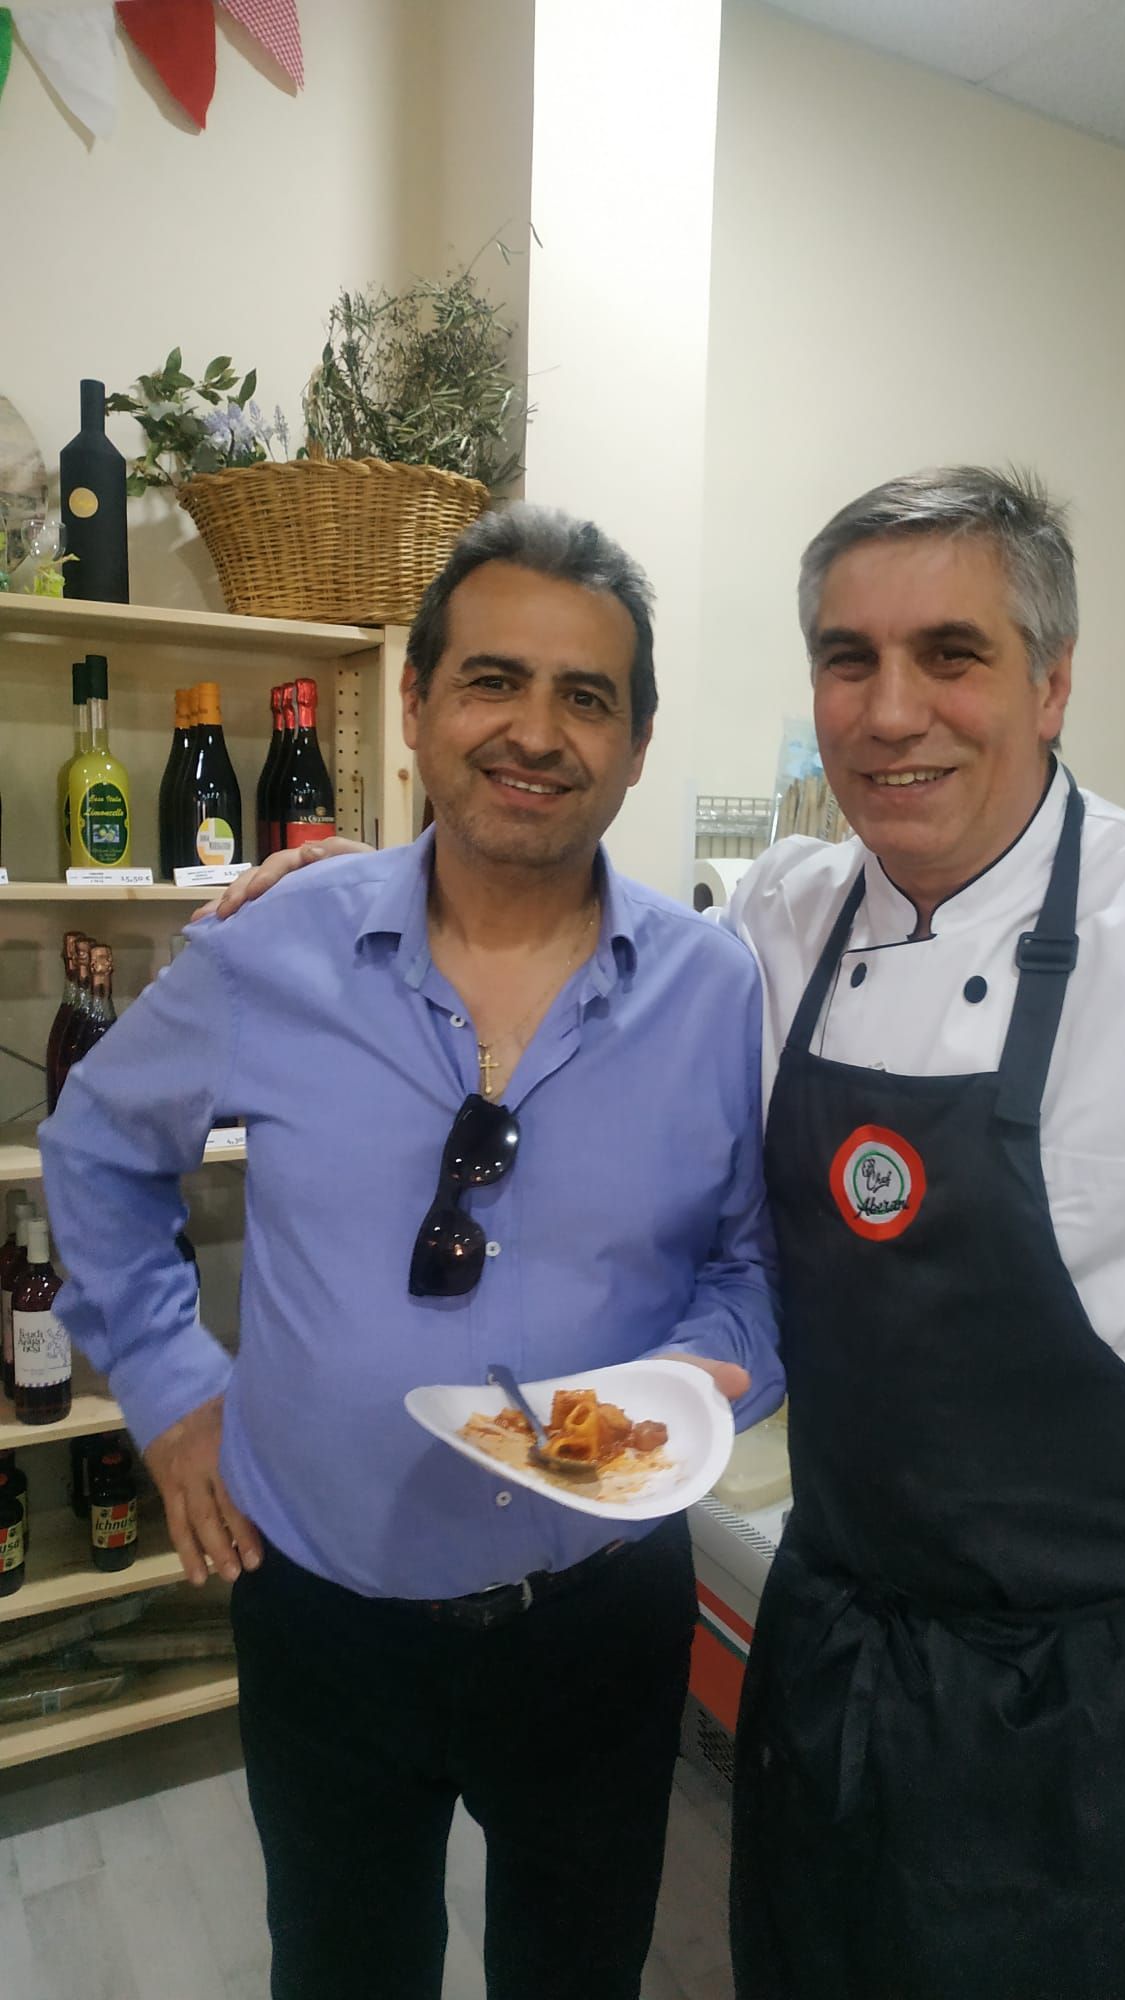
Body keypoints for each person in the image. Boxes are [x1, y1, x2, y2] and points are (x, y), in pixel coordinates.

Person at [217, 468, 1125, 1997]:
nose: (892, 711)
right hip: (834, 1673)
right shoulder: (781, 919)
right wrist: (365, 898)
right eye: (848, 658)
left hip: (1108, 1723)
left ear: (1054, 680)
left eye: (950, 655)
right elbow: (556, 947)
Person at [40, 505, 783, 2000]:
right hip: (326, 1607)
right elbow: (98, 1149)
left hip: (598, 1606)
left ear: (637, 746)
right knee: (342, 1962)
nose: (538, 731)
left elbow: (749, 1263)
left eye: (589, 698)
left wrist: (709, 1380)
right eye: (494, 680)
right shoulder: (279, 950)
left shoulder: (711, 990)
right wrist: (176, 1391)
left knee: (576, 1972)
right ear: (421, 709)